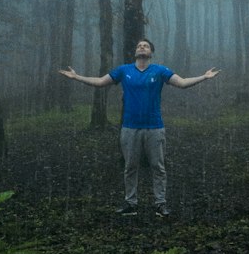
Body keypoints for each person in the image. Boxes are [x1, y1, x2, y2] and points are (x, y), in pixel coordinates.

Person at [59, 39, 219, 216]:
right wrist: (77, 77)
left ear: (151, 52)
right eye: (139, 46)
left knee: (158, 167)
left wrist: (204, 77)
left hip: (155, 127)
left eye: (146, 46)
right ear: (135, 52)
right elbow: (99, 82)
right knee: (130, 167)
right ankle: (130, 203)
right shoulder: (123, 70)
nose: (142, 47)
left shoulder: (160, 71)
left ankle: (160, 204)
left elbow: (182, 83)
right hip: (129, 127)